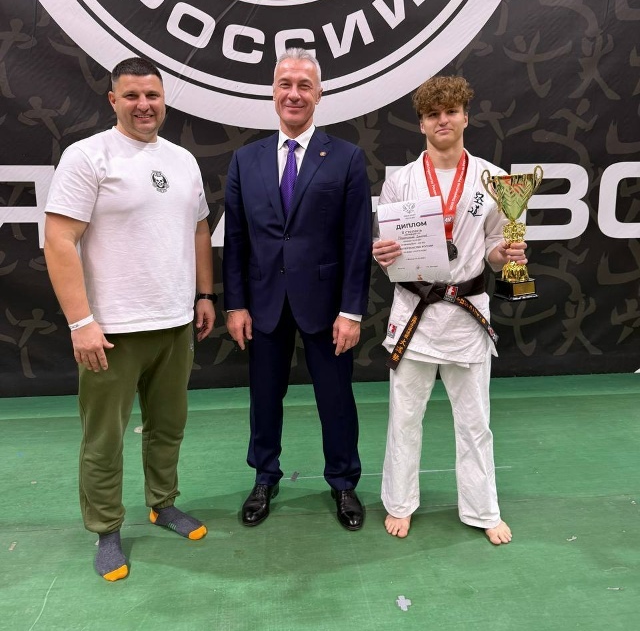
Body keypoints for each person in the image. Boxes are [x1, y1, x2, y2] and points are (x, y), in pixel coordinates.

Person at [44, 56, 215, 581]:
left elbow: (199, 229)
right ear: (113, 100)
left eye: (153, 95)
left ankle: (163, 503)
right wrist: (81, 323)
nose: (144, 105)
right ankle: (106, 529)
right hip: (111, 331)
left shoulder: (183, 160)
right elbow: (59, 239)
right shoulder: (87, 156)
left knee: (168, 426)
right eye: (133, 95)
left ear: (164, 100)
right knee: (104, 438)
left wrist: (204, 294)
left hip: (175, 325)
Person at [372, 75, 527, 545]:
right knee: (404, 417)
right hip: (415, 312)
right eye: (433, 114)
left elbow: (496, 249)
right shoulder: (400, 181)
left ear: (465, 117)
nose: (443, 120)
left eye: (451, 112)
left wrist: (506, 254)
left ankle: (483, 509)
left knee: (475, 421)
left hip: (466, 313)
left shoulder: (493, 179)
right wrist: (382, 254)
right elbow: (390, 251)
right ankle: (400, 503)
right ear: (421, 123)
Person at [223, 47, 372, 530]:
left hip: (327, 307)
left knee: (336, 399)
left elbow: (356, 241)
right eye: (285, 84)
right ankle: (264, 477)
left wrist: (352, 310)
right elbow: (236, 240)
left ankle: (343, 482)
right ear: (273, 93)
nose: (294, 93)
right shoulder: (245, 160)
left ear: (319, 94)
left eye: (304, 85)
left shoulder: (346, 158)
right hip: (264, 302)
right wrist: (235, 304)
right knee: (264, 399)